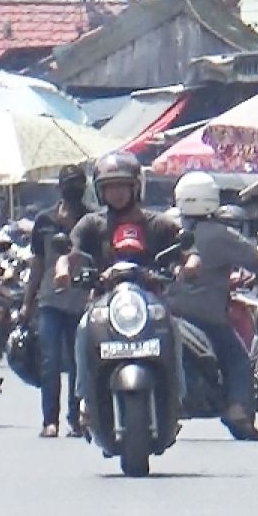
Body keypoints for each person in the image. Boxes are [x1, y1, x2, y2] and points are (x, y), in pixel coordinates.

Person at [55, 152, 196, 418]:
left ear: (136, 187)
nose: (117, 193)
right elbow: (69, 253)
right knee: (83, 332)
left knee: (173, 332)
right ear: (100, 191)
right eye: (110, 187)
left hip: (150, 300)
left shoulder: (158, 223)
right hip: (102, 301)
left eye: (122, 186)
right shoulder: (91, 224)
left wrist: (189, 265)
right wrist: (63, 270)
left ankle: (177, 396)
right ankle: (84, 399)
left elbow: (187, 251)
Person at [169, 172, 258, 441]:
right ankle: (237, 408)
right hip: (207, 316)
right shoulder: (222, 235)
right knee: (237, 359)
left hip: (165, 312)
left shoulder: (165, 226)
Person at [22, 165, 91, 438]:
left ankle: (75, 418)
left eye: (77, 184)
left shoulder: (91, 221)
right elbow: (37, 264)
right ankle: (49, 420)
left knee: (78, 361)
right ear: (60, 188)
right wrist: (28, 302)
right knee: (50, 362)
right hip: (50, 299)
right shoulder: (44, 221)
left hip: (82, 300)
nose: (73, 189)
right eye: (69, 184)